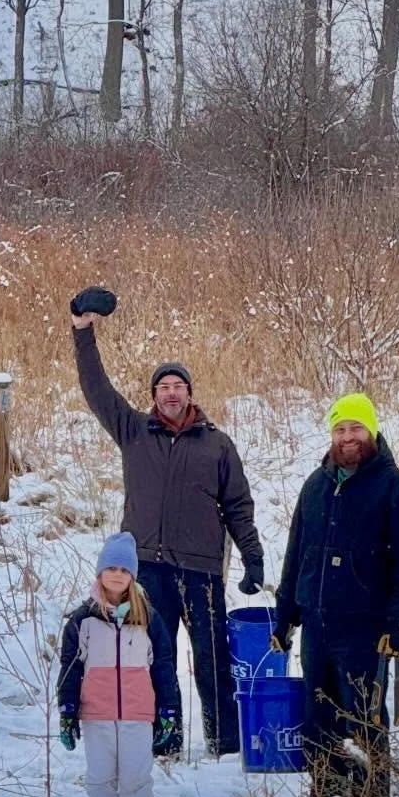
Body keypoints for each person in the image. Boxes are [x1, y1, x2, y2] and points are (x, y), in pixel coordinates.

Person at [70, 288, 264, 756]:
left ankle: (225, 746)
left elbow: (238, 505)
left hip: (201, 570)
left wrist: (253, 559)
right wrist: (82, 330)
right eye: (163, 386)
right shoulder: (134, 430)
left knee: (212, 659)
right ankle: (164, 742)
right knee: (152, 658)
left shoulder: (216, 445)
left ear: (190, 394)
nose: (171, 392)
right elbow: (96, 388)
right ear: (154, 396)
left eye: (178, 385)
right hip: (148, 569)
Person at [271, 393, 399, 797]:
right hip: (318, 629)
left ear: (372, 430)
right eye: (340, 429)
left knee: (365, 726)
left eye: (356, 428)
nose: (348, 437)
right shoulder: (315, 486)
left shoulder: (394, 486)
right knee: (317, 724)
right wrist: (285, 613)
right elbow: (296, 556)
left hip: (365, 632)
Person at [57, 533, 181, 797]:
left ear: (133, 576)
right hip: (96, 715)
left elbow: (163, 666)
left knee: (136, 780)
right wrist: (67, 711)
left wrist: (168, 709)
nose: (117, 574)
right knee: (100, 779)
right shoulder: (83, 620)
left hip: (138, 716)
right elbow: (70, 669)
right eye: (112, 568)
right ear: (100, 571)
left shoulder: (147, 618)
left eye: (125, 570)